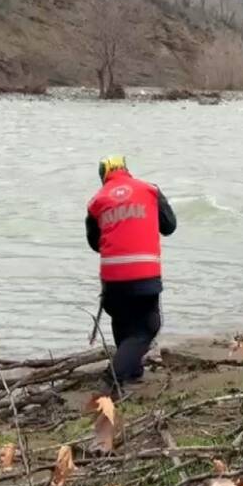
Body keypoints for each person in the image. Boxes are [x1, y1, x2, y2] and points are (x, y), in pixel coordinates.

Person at [85, 155, 176, 391]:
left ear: (103, 176)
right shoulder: (150, 191)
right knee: (147, 327)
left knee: (123, 321)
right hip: (144, 274)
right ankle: (113, 376)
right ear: (126, 169)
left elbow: (95, 243)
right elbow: (169, 226)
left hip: (112, 281)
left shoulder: (97, 202)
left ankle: (132, 370)